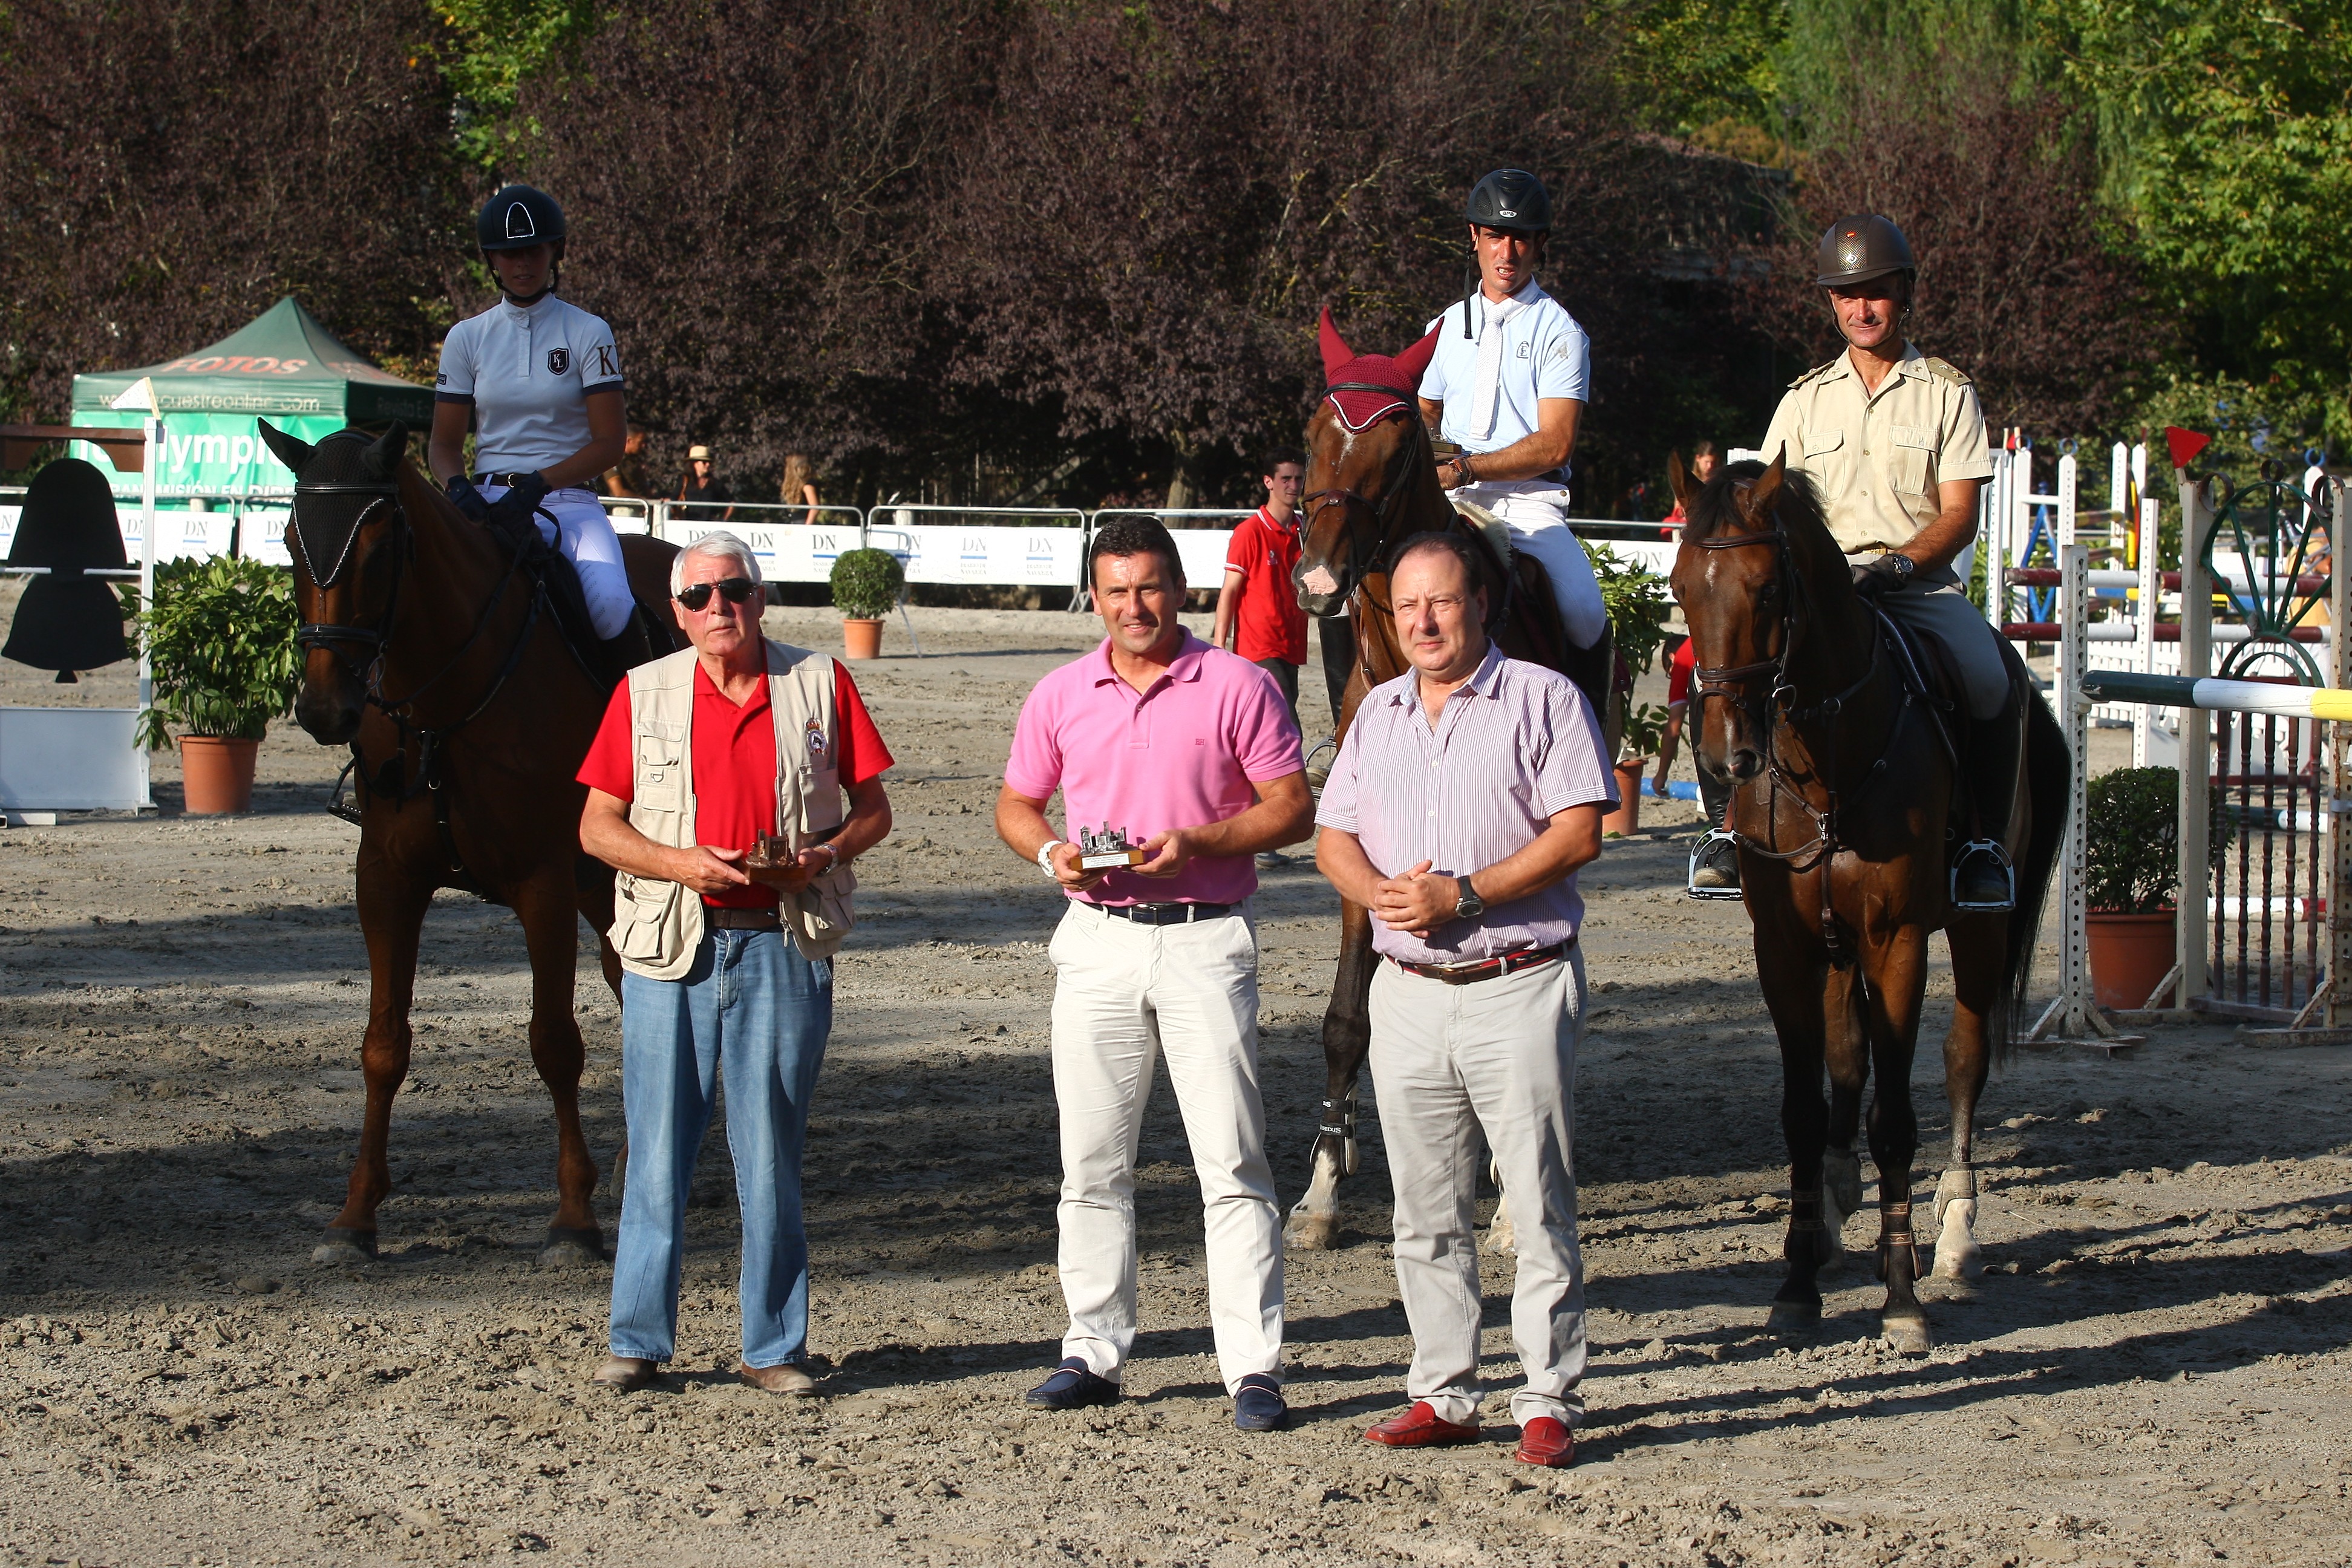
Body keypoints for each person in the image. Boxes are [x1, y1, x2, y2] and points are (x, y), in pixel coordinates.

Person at [993, 515, 1313, 1433]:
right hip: (1096, 936)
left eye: (1149, 586)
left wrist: (1200, 843)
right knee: (1090, 1162)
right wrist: (1049, 850)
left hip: (1205, 936)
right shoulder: (1061, 693)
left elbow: (1291, 808)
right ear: (1095, 597)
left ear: (1179, 588)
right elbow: (1017, 802)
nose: (1134, 606)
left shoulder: (1237, 684)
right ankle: (1092, 1349)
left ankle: (1251, 1367)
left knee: (1233, 1163)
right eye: (1116, 589)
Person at [1313, 530, 1613, 1471]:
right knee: (1424, 1207)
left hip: (1515, 982)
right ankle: (1443, 1390)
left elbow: (1578, 834)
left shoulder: (1544, 697)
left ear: (1481, 602)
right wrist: (1379, 895)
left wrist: (1468, 892)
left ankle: (1547, 1396)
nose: (1424, 622)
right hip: (1406, 991)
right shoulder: (1379, 713)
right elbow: (1334, 838)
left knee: (1535, 1200)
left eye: (1441, 602)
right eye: (1407, 608)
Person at [575, 532, 895, 1395]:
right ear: (676, 613)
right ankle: (637, 1339)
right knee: (657, 1152)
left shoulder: (820, 683)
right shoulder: (641, 693)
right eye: (699, 597)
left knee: (772, 1153)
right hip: (670, 951)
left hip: (783, 943)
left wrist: (823, 859)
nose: (719, 609)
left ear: (761, 598)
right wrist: (682, 863)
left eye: (735, 591)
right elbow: (596, 828)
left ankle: (774, 1348)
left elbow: (874, 810)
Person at [1760, 214, 2009, 907]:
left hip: (1914, 587)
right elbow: (1769, 502)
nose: (1861, 309)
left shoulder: (1949, 393)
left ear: (1905, 293)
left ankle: (1982, 844)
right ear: (1830, 303)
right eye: (1846, 294)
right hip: (1821, 593)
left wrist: (1896, 567)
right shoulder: (1802, 400)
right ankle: (1730, 831)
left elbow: (1960, 513)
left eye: (1876, 292)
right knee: (1739, 672)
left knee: (1991, 679)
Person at [430, 184, 638, 667]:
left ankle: (626, 727)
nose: (522, 264)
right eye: (508, 254)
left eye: (533, 250)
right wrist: (456, 488)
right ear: (492, 261)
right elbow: (442, 444)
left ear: (555, 251)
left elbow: (610, 443)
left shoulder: (589, 331)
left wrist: (539, 484)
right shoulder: (465, 338)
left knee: (611, 608)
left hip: (567, 502)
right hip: (483, 504)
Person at [1415, 169, 1607, 655]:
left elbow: (1556, 443)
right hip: (1448, 503)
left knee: (1586, 617)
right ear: (1474, 236)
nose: (1507, 253)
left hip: (1528, 508)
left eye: (1521, 238)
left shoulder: (1561, 332)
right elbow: (1425, 409)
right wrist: (1430, 452)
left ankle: (1593, 720)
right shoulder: (1443, 325)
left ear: (1540, 243)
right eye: (1496, 235)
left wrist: (1465, 468)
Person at [1212, 448, 1312, 866]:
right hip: (1258, 649)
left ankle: (1254, 828)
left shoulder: (1305, 530)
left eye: (1297, 479)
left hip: (1291, 646)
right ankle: (1261, 832)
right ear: (1268, 482)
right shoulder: (1250, 532)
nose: (1293, 486)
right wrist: (1220, 642)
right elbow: (1230, 591)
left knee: (1274, 734)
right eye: (1285, 479)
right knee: (1279, 734)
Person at [1653, 631, 1738, 890]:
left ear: (1670, 656)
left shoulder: (1681, 658)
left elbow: (1674, 727)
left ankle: (1725, 843)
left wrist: (1661, 774)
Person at [1659, 442, 1719, 537]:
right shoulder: (1687, 480)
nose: (1710, 466)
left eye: (1713, 462)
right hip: (1689, 524)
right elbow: (1678, 508)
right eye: (1707, 462)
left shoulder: (1717, 480)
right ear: (1698, 458)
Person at [678, 445, 734, 521]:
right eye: (704, 462)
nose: (708, 465)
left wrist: (723, 521)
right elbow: (672, 500)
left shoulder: (715, 483)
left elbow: (731, 503)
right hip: (687, 527)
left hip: (708, 528)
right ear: (695, 464)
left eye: (709, 462)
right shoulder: (684, 481)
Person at [601, 425, 654, 500]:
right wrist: (644, 500)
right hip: (626, 507)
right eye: (640, 442)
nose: (644, 446)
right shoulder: (613, 460)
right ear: (629, 441)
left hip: (644, 506)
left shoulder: (634, 461)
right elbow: (619, 493)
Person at [780, 452, 821, 525]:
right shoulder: (795, 485)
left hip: (803, 523)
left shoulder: (807, 485)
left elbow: (815, 508)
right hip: (794, 522)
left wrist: (806, 528)